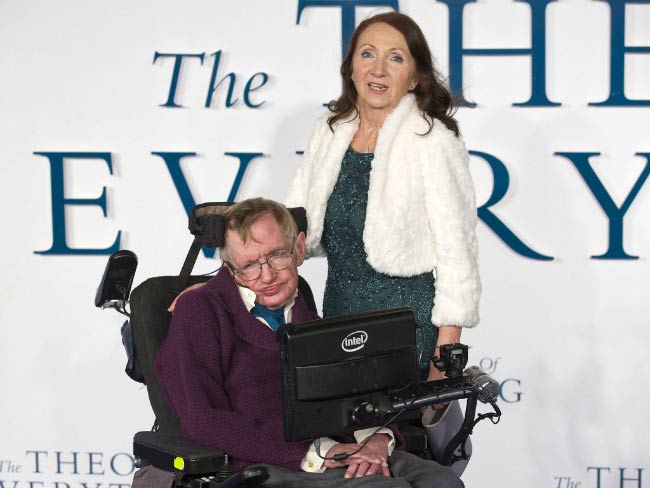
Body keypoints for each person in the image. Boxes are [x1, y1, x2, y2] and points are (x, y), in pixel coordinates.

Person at [155, 197, 463, 487]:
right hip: (269, 460)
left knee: (443, 482)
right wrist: (318, 451)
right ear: (230, 268)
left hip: (345, 448)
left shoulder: (311, 322)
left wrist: (379, 439)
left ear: (299, 248)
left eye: (277, 255)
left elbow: (359, 397)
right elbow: (202, 419)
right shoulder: (200, 311)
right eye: (249, 265)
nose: (266, 275)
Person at [285, 12, 481, 384]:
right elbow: (289, 227)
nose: (378, 69)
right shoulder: (328, 132)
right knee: (345, 439)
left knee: (398, 440)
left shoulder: (433, 140)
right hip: (338, 324)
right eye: (367, 54)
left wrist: (444, 359)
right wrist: (218, 290)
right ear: (351, 68)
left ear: (416, 77)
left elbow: (459, 256)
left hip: (409, 333)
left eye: (395, 58)